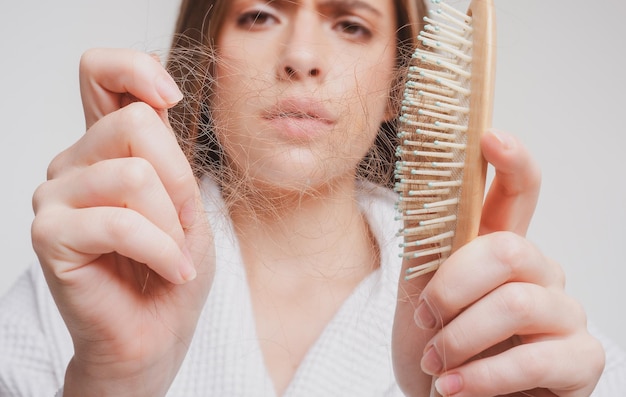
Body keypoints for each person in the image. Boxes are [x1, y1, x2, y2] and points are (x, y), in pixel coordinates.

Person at [0, 0, 624, 396]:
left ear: (401, 86)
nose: (301, 57)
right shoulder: (76, 292)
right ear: (207, 59)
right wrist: (113, 384)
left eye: (351, 24)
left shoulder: (519, 330)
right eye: (259, 15)